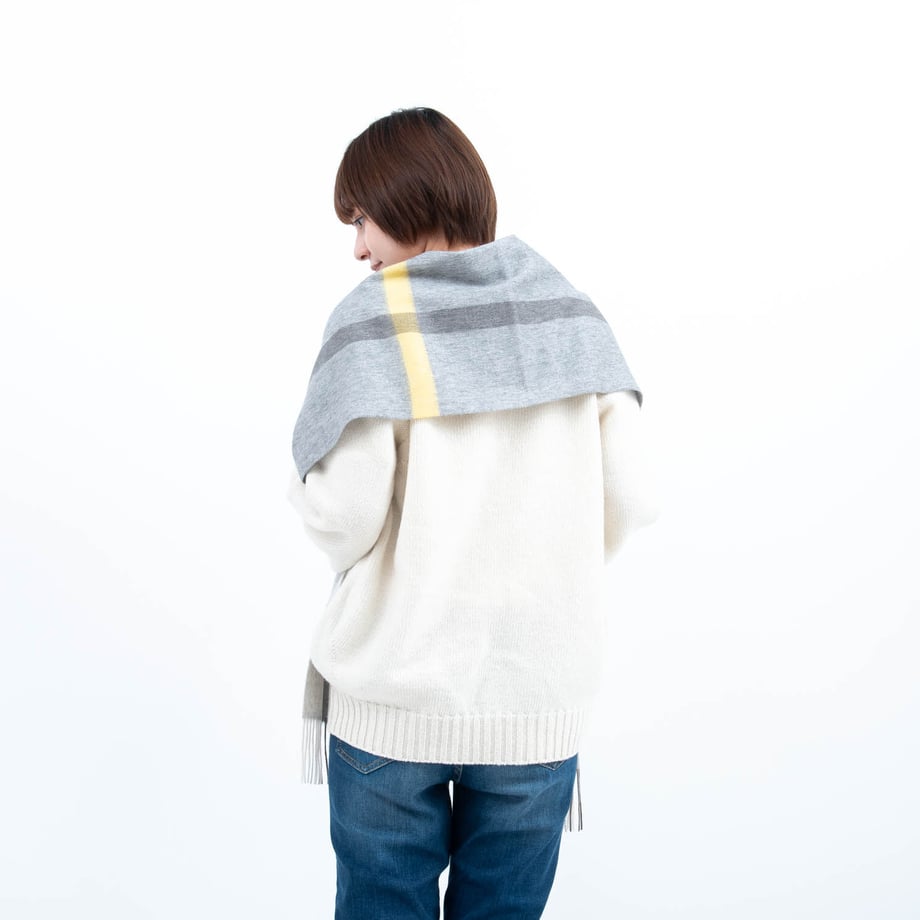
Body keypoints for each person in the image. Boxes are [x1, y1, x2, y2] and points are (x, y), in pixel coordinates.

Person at [288, 107, 658, 919]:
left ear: (407, 197)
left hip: (393, 701)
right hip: (535, 701)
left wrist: (300, 484)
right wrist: (547, 557)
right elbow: (633, 495)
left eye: (361, 218)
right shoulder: (571, 313)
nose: (358, 248)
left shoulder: (375, 317)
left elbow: (343, 517)